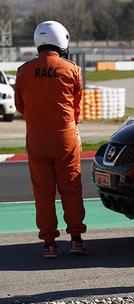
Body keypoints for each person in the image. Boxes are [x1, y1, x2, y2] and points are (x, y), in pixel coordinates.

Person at [15, 21, 88, 258]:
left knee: (43, 193)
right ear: (62, 41)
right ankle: (76, 239)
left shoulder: (24, 71)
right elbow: (77, 108)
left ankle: (49, 243)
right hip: (65, 135)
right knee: (71, 188)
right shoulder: (72, 69)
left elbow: (20, 106)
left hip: (36, 137)